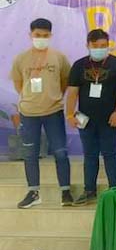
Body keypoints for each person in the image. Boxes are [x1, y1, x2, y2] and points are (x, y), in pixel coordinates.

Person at [11, 18, 73, 208]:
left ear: (50, 35)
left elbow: (65, 80)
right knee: (30, 154)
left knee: (60, 152)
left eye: (45, 36)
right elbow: (18, 83)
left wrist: (54, 96)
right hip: (28, 113)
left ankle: (65, 191)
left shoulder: (59, 57)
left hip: (53, 111)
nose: (41, 38)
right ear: (30, 35)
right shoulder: (21, 58)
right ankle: (33, 192)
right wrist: (30, 98)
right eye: (37, 35)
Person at [65, 29, 116, 206]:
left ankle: (115, 190)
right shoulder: (79, 65)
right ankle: (89, 191)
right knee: (89, 155)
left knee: (110, 154)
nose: (100, 49)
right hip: (85, 120)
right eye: (96, 46)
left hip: (110, 119)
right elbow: (72, 92)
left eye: (103, 45)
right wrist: (69, 114)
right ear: (88, 45)